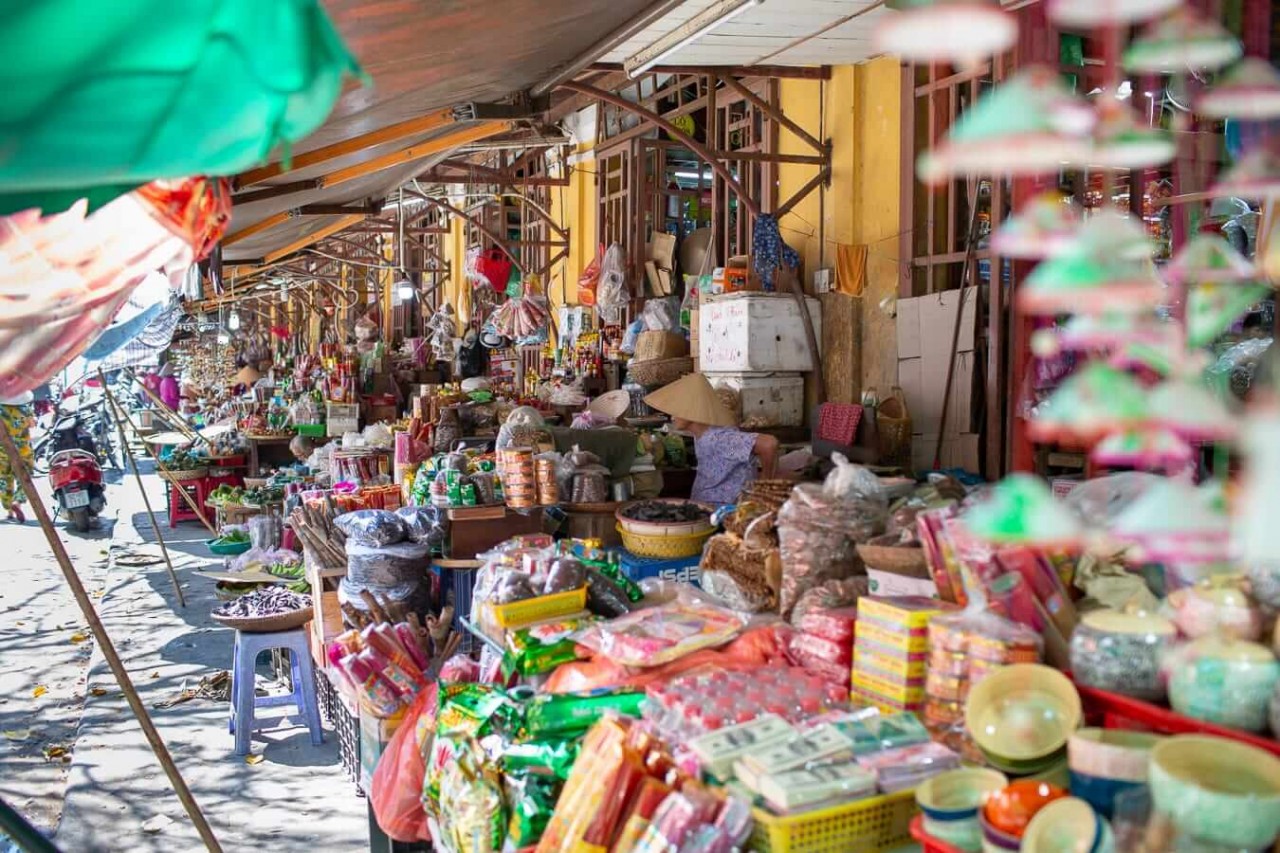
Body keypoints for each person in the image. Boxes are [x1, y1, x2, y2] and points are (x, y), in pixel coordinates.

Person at [644, 373, 778, 504]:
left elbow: (768, 444)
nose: (672, 416)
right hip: (706, 507)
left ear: (692, 411)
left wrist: (763, 488)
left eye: (678, 411)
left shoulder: (719, 439)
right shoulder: (710, 439)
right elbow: (731, 453)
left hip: (721, 512)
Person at [0, 391, 35, 523]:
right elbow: (32, 424)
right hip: (22, 449)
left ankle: (9, 510)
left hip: (2, 449)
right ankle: (17, 501)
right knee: (25, 475)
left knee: (4, 478)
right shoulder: (24, 409)